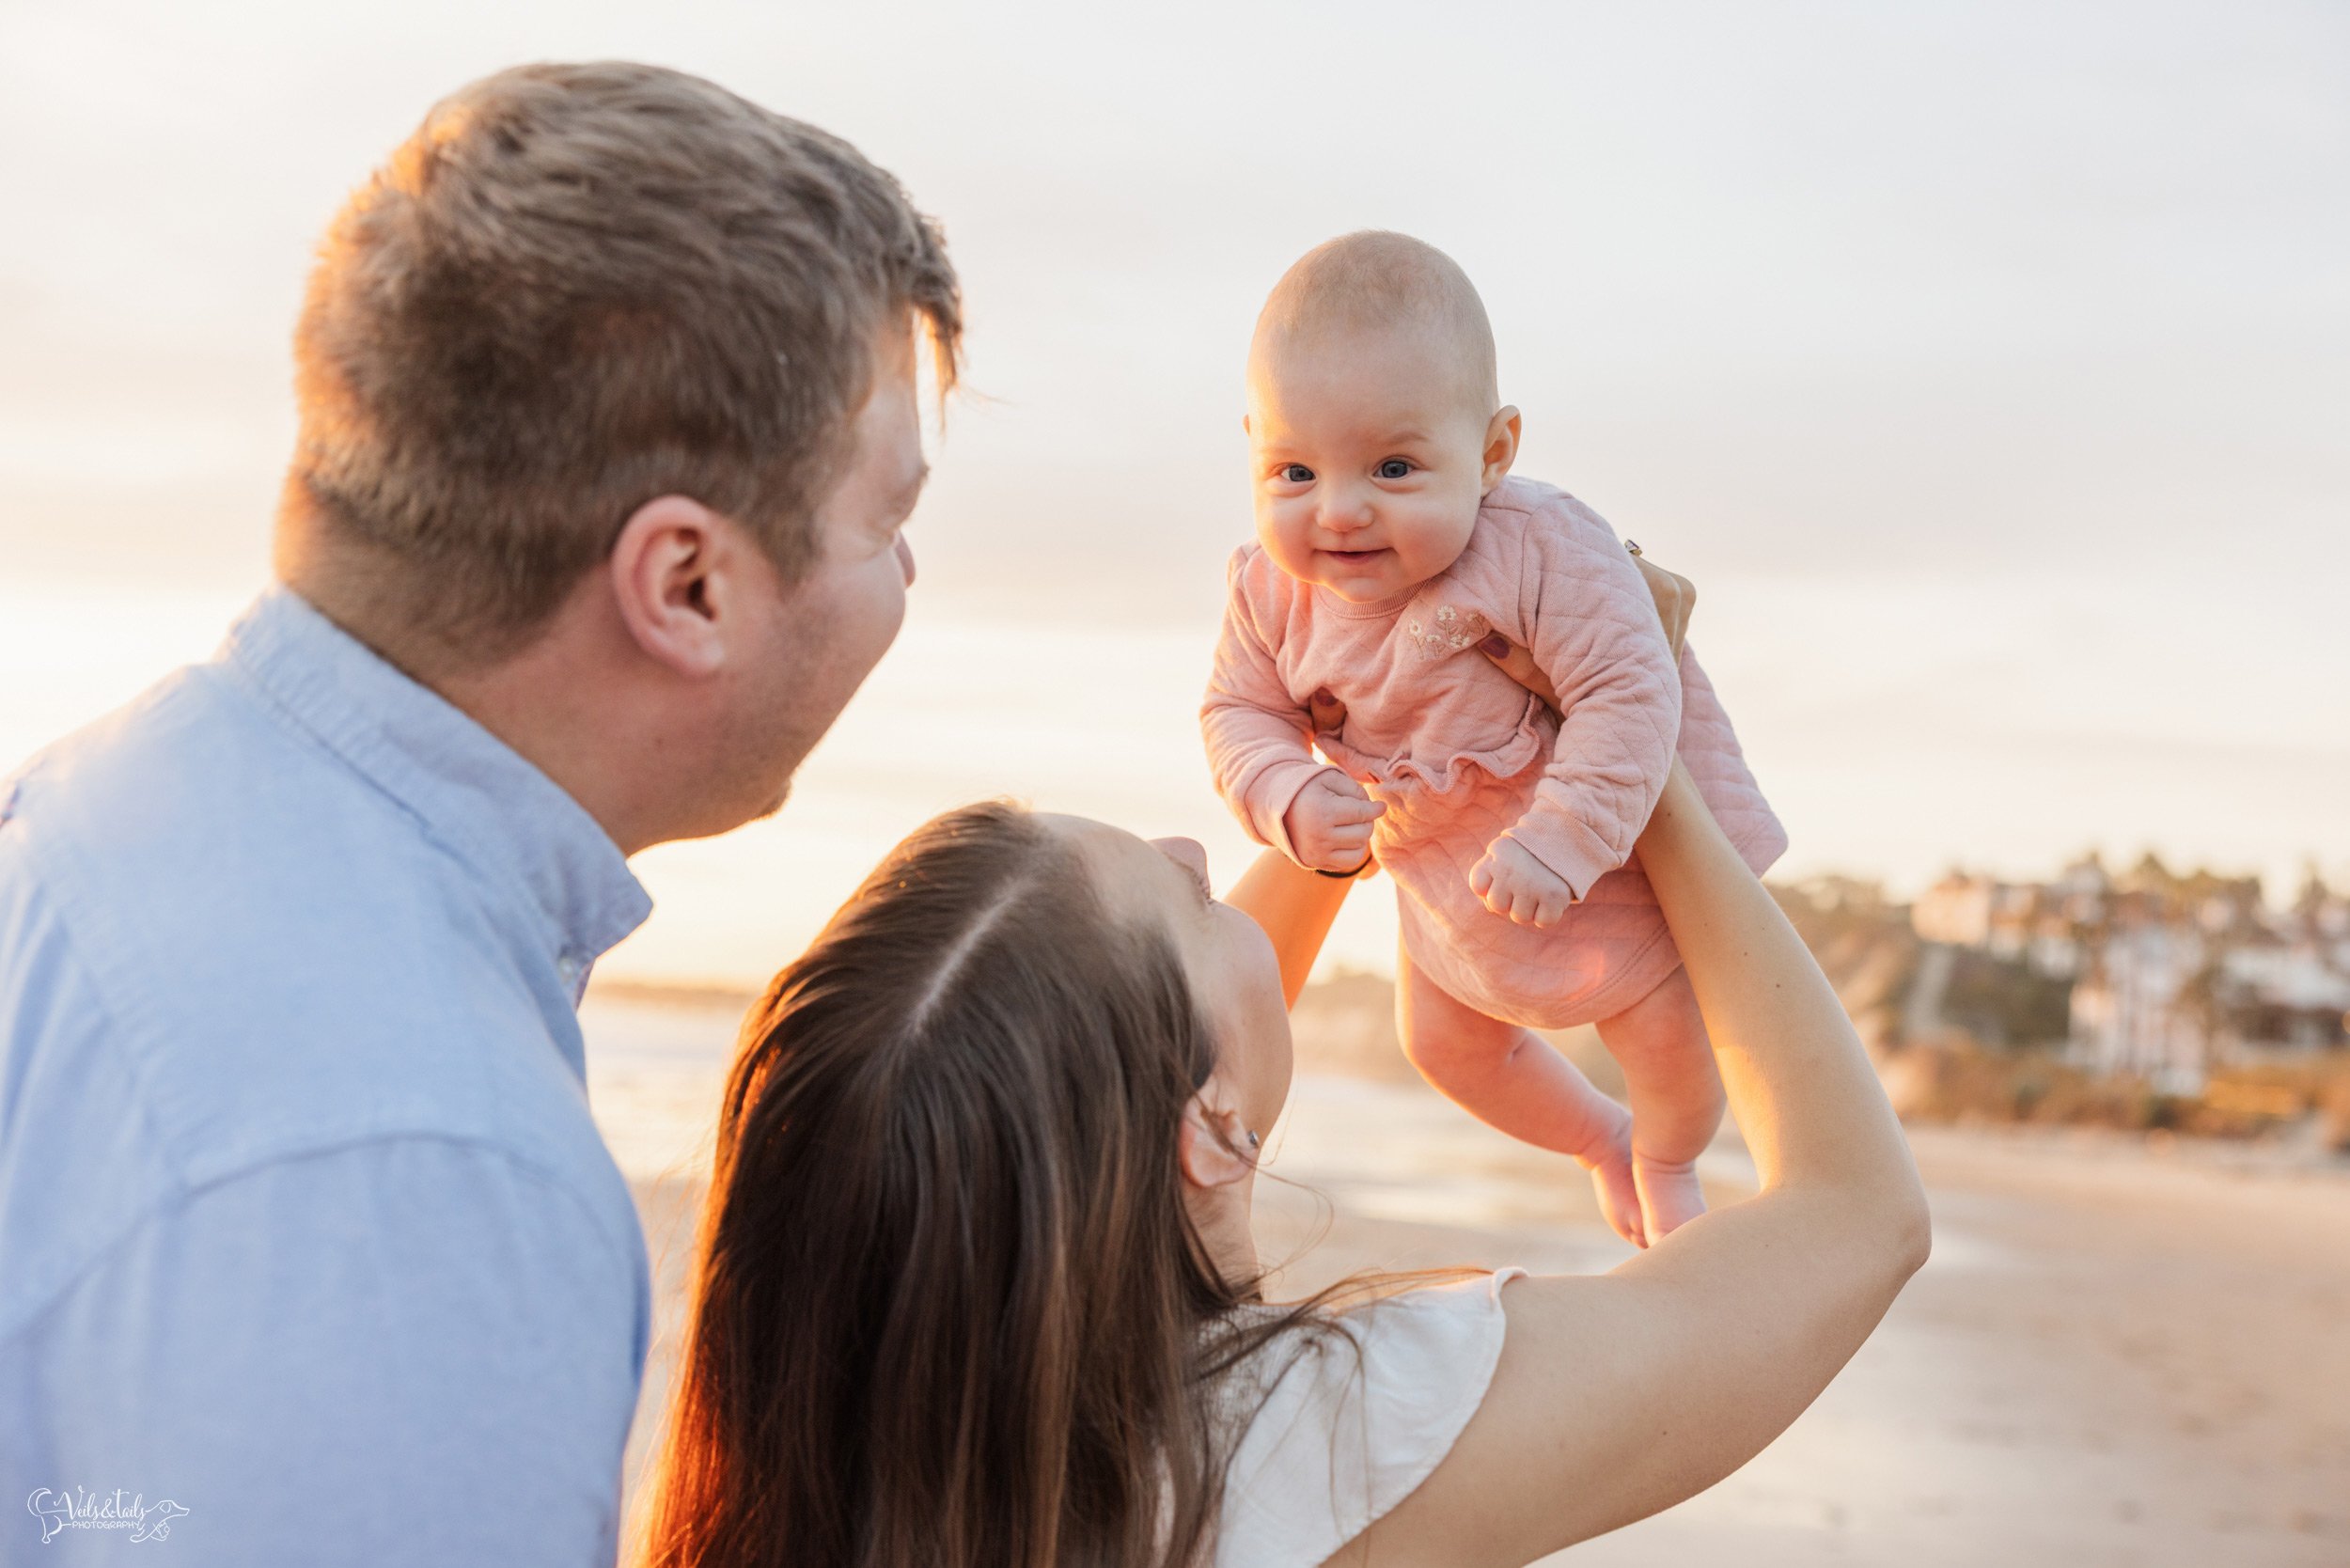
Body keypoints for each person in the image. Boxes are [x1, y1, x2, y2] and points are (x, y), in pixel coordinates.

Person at [0, 62, 956, 1564]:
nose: (909, 580)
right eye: (888, 521)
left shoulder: (95, 804)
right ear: (688, 586)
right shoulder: (420, 1168)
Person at [638, 576, 1930, 1566]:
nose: (1202, 852)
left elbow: (1157, 1058)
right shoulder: (1318, 1439)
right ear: (1205, 1133)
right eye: (1190, 898)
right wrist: (1631, 750)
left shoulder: (815, 1459)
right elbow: (1854, 1222)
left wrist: (1371, 761)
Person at [1202, 230, 1786, 1247]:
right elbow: (1234, 714)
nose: (1339, 512)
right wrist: (1286, 793)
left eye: (1392, 466)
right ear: (1252, 443)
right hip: (1444, 884)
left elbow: (1627, 689)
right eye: (1293, 470)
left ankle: (1663, 1157)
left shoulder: (1543, 546)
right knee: (1441, 1046)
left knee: (1667, 1051)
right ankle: (1599, 1143)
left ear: (1492, 454)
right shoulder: (1266, 591)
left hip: (1598, 871)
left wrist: (1562, 839)